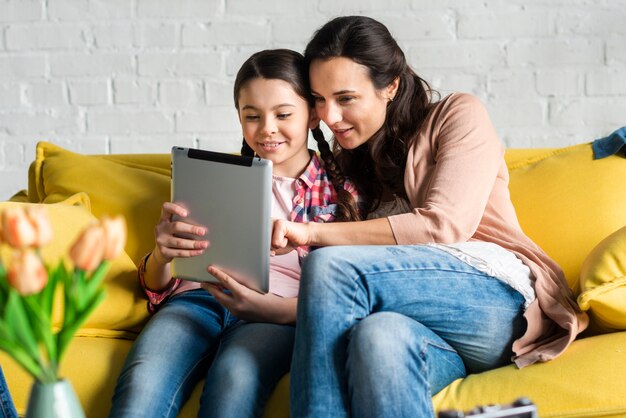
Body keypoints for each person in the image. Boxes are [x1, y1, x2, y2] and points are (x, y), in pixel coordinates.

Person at [269, 16, 589, 418]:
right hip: (419, 331)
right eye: (318, 99)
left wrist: (311, 233)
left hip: (493, 303)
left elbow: (444, 225)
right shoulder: (349, 163)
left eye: (345, 98)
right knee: (376, 339)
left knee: (331, 264)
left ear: (391, 86)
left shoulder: (458, 114)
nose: (330, 116)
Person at [107, 49, 359, 418]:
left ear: (312, 115)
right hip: (197, 301)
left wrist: (280, 312)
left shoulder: (341, 192)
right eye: (251, 116)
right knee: (142, 384)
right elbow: (157, 285)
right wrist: (162, 254)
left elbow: (346, 296)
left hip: (273, 313)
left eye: (283, 114)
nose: (267, 128)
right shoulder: (210, 178)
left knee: (234, 382)